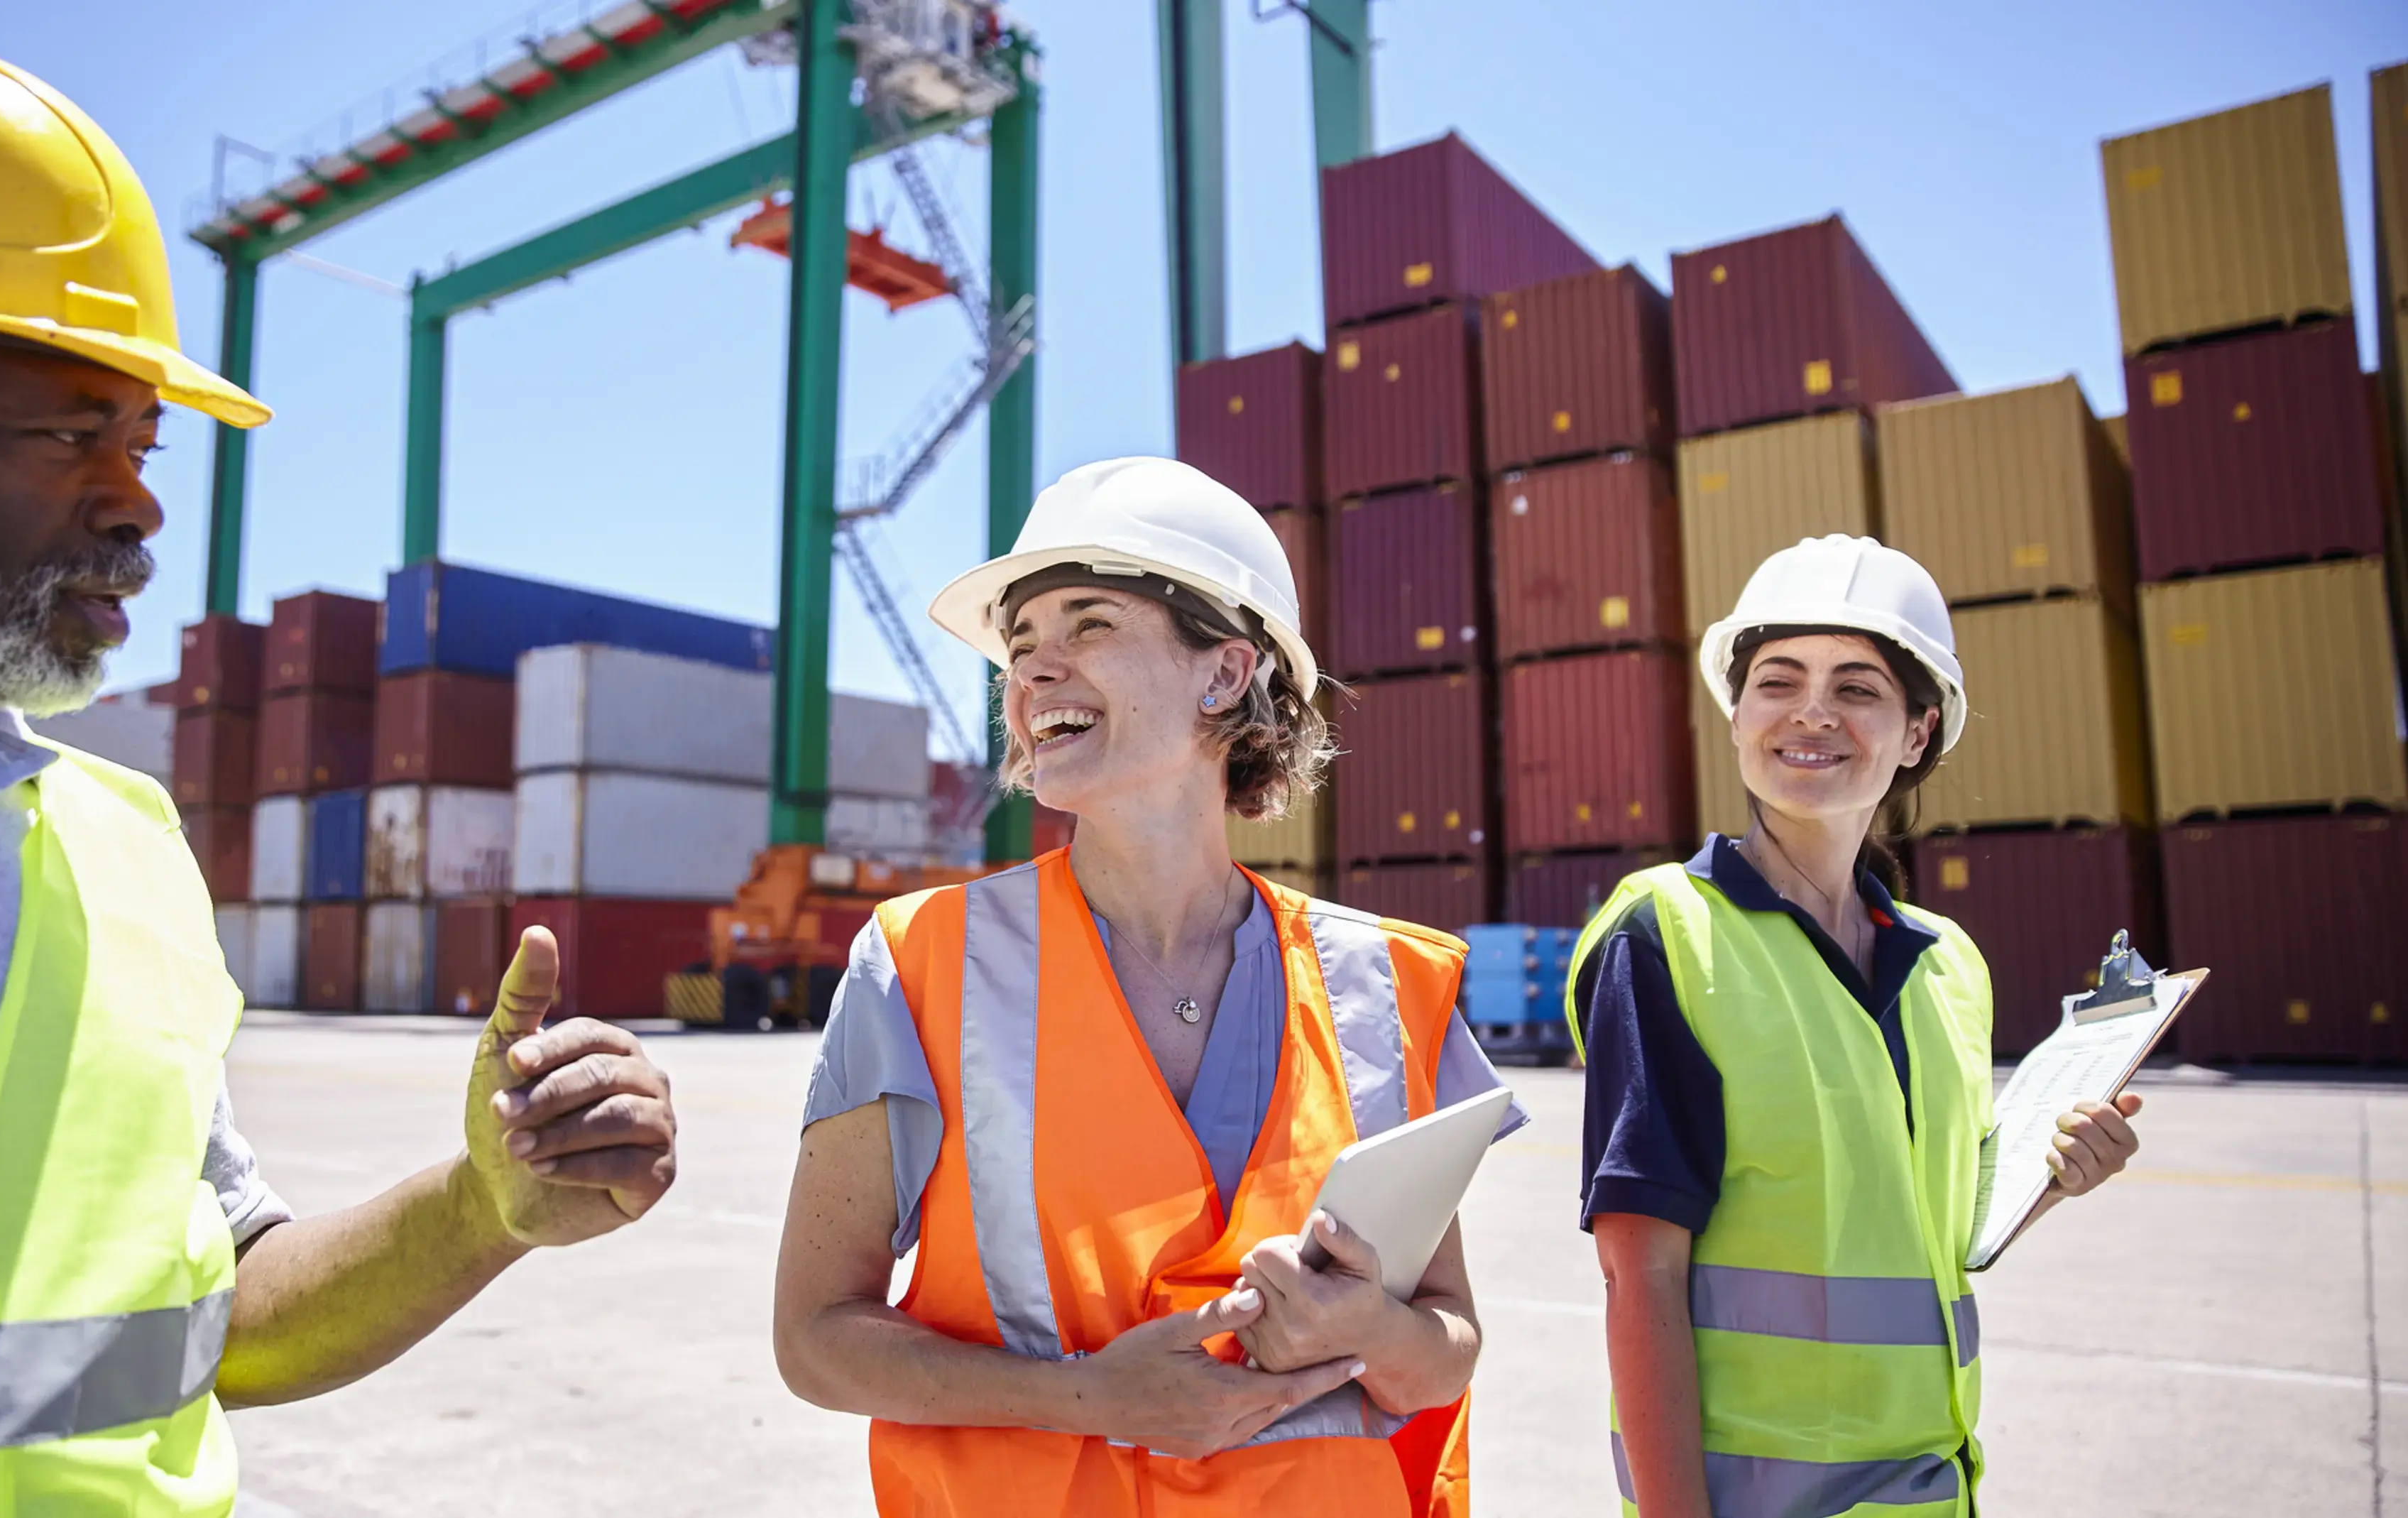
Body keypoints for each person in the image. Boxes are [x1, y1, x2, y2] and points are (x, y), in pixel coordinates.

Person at [0, 34, 675, 1514]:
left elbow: (210, 1313)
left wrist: (489, 1204)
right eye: (66, 431)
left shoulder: (124, 841)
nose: (141, 501)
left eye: (148, 439)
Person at [772, 457, 1526, 1517]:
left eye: (1088, 626)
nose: (1034, 674)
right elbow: (814, 1340)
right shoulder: (918, 963)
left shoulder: (1386, 982)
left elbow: (1447, 1346)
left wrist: (1372, 1333)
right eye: (1020, 648)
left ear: (1224, 674)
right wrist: (1084, 1397)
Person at [1568, 535, 2148, 1517]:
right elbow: (1640, 1276)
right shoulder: (1665, 935)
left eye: (1858, 687)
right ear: (1740, 713)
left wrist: (2052, 1178)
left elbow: (1936, 1233)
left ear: (1919, 732)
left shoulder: (1949, 962)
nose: (1811, 712)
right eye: (1777, 680)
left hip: (1936, 1490)